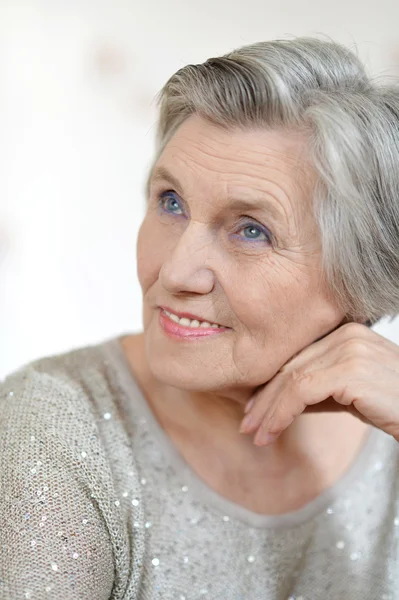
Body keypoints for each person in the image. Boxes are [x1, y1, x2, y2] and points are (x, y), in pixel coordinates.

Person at [1, 36, 399, 600]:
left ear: (363, 277)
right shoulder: (56, 430)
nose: (175, 270)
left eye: (251, 230)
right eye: (171, 202)